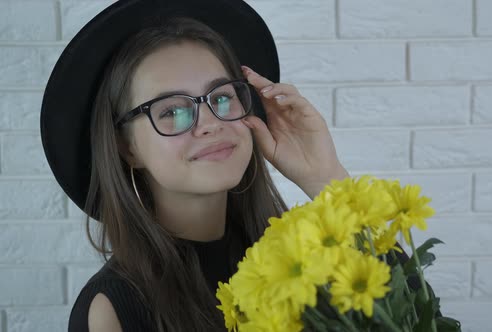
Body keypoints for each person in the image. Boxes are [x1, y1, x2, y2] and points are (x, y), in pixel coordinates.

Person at [40, 0, 349, 331]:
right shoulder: (112, 311)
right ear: (127, 148)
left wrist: (325, 178)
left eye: (221, 97)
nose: (210, 123)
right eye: (172, 111)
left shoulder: (308, 259)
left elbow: (408, 316)